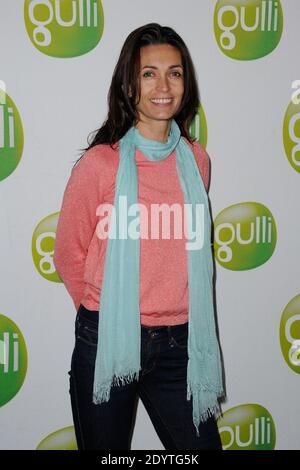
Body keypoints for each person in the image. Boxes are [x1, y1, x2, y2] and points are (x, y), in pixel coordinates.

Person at [53, 23, 225, 451]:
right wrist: (106, 317)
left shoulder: (197, 161)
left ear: (187, 83)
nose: (163, 86)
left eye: (175, 72)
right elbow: (68, 253)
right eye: (149, 73)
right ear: (129, 85)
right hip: (108, 336)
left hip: (180, 344)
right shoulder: (99, 165)